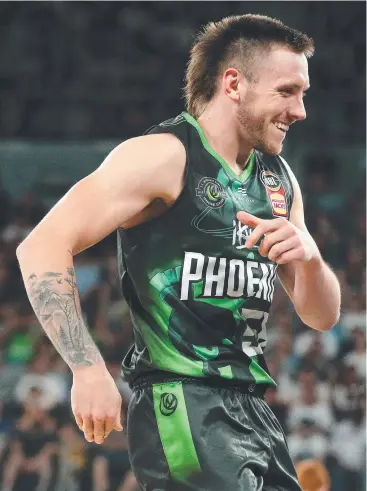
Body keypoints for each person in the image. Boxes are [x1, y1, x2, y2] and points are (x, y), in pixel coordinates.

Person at [16, 13, 341, 491]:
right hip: (182, 403)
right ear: (233, 83)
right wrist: (86, 367)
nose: (300, 110)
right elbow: (41, 244)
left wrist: (310, 258)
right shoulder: (164, 155)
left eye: (303, 94)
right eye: (287, 91)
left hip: (254, 409)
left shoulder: (278, 181)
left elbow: (321, 316)